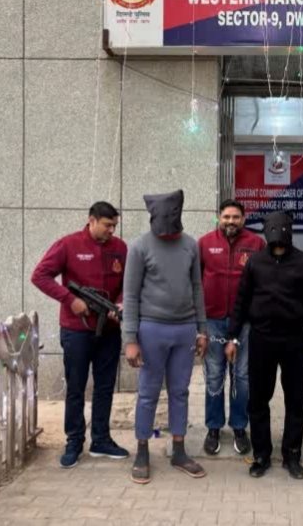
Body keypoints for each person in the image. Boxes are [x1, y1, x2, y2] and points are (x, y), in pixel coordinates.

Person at [31, 201, 129, 468]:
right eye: (107, 225)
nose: (111, 230)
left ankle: (101, 440)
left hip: (109, 331)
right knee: (76, 387)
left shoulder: (120, 248)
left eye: (114, 226)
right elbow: (40, 276)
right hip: (76, 331)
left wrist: (120, 303)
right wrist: (70, 300)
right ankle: (74, 441)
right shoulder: (68, 244)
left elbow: (127, 283)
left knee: (105, 386)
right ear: (91, 220)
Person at [225, 211, 303, 480]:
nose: (278, 234)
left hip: (294, 339)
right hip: (261, 339)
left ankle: (292, 454)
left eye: (283, 228)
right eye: (273, 229)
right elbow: (241, 301)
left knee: (296, 400)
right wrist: (232, 337)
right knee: (258, 399)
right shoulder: (255, 262)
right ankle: (261, 455)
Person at [122, 189, 208, 484]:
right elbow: (130, 295)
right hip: (151, 330)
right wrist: (130, 339)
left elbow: (197, 288)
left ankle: (179, 451)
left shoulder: (190, 245)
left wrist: (202, 329)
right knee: (148, 393)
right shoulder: (139, 247)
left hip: (185, 330)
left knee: (180, 392)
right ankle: (142, 450)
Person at [198, 199, 265, 456]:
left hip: (245, 322)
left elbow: (261, 283)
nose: (230, 221)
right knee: (215, 375)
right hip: (213, 320)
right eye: (226, 217)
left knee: (242, 376)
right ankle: (213, 427)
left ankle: (239, 426)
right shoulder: (204, 243)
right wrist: (198, 324)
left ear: (244, 219)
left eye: (236, 217)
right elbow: (196, 282)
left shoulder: (256, 244)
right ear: (219, 217)